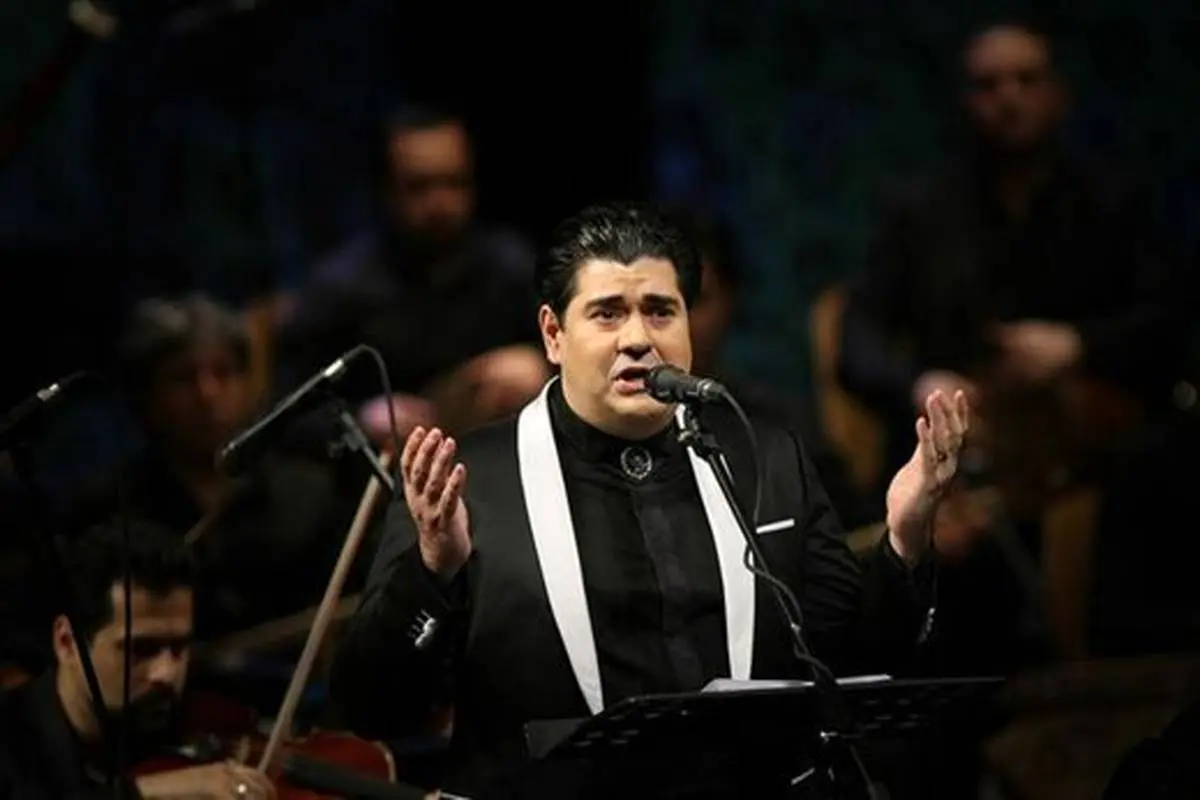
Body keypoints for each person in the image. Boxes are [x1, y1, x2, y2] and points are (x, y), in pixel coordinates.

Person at [330, 201, 969, 795]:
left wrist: (906, 539)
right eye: (607, 313)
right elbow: (373, 708)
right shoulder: (467, 478)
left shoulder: (764, 456)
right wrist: (432, 573)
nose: (638, 337)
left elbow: (856, 664)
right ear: (553, 334)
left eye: (661, 311)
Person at [0, 521, 274, 799]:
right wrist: (148, 790)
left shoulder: (189, 722)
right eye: (140, 649)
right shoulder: (10, 746)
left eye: (179, 647)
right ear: (67, 642)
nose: (167, 673)